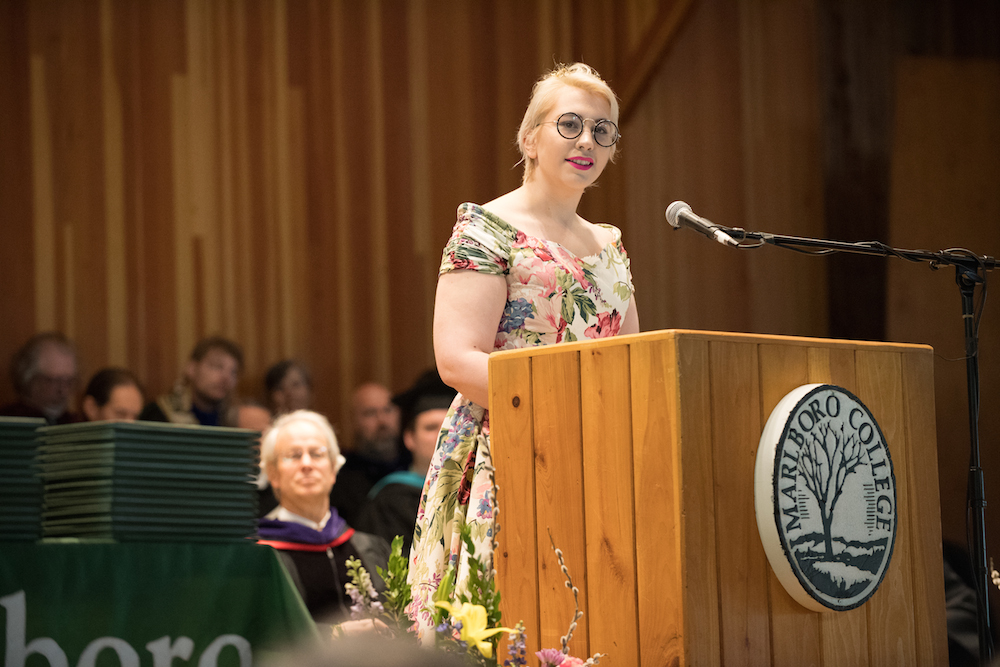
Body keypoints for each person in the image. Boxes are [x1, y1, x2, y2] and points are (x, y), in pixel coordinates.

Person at [406, 63, 639, 632]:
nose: (587, 140)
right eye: (570, 124)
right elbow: (457, 359)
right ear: (530, 139)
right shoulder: (487, 230)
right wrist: (568, 402)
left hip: (600, 452)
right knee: (508, 621)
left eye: (602, 131)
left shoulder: (609, 245)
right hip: (505, 451)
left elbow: (634, 362)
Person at [257, 410, 390, 627]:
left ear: (333, 468)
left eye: (317, 454)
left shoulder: (369, 546)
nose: (307, 464)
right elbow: (264, 632)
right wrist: (333, 638)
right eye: (294, 455)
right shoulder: (261, 554)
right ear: (273, 473)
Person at [355, 370, 455, 557]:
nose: (442, 435)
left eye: (449, 427)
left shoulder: (475, 493)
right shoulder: (390, 501)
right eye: (431, 427)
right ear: (409, 438)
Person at [329, 382, 406, 526]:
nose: (382, 421)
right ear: (353, 421)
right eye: (370, 413)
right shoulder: (340, 480)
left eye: (388, 410)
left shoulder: (417, 466)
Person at [138, 336, 242, 427]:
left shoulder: (239, 419)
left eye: (233, 372)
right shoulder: (159, 414)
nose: (226, 377)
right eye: (216, 366)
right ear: (191, 368)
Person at [0, 332, 82, 425]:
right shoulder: (8, 422)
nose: (63, 390)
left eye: (69, 381)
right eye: (54, 381)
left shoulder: (73, 423)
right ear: (29, 379)